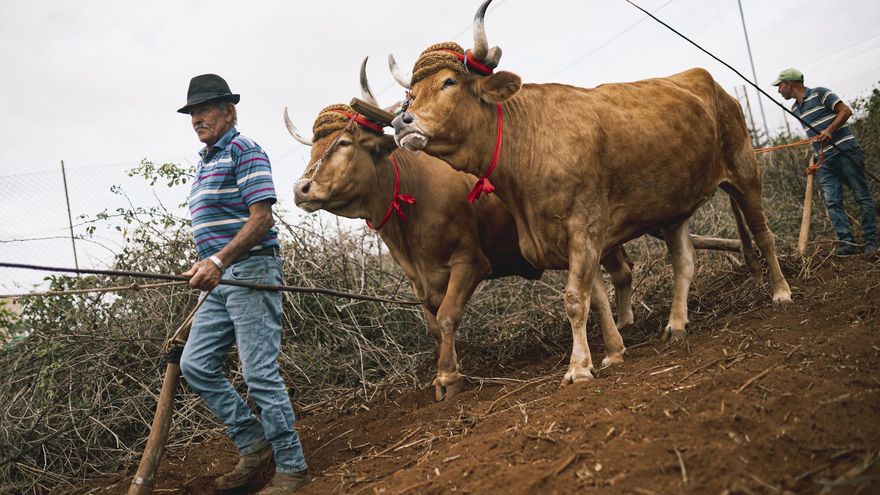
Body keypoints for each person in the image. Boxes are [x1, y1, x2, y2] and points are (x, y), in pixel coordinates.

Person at [176, 73, 311, 493]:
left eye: (205, 109)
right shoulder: (204, 161)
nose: (197, 118)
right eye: (193, 112)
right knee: (195, 364)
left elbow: (261, 218)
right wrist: (207, 265)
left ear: (228, 111)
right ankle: (254, 446)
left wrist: (217, 259)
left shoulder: (243, 149)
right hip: (219, 279)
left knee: (259, 374)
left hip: (251, 270)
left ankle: (292, 468)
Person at [773, 68, 879, 255]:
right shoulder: (795, 109)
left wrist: (829, 130)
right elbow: (814, 134)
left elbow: (845, 111)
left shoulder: (821, 93)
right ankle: (847, 243)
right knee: (832, 202)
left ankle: (872, 241)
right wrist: (813, 157)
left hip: (846, 152)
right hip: (824, 160)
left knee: (862, 197)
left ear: (790, 84)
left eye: (780, 85)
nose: (778, 90)